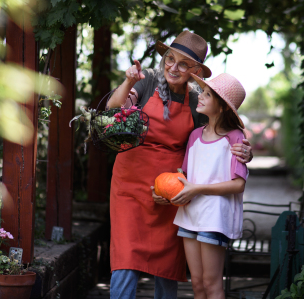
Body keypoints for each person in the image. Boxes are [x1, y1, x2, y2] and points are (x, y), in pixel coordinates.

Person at [106, 31, 253, 299]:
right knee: (126, 257)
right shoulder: (147, 80)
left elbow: (220, 135)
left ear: (196, 70)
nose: (173, 67)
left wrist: (244, 151)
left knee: (167, 263)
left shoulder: (198, 100)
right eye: (169, 59)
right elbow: (114, 109)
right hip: (129, 185)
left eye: (183, 64)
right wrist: (128, 82)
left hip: (172, 189)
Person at [170, 73, 248, 299]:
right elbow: (183, 175)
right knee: (197, 284)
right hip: (189, 215)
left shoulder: (235, 138)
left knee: (211, 284)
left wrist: (197, 189)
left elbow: (238, 185)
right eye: (202, 92)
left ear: (223, 106)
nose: (200, 97)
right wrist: (165, 190)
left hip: (215, 218)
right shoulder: (195, 135)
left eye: (207, 94)